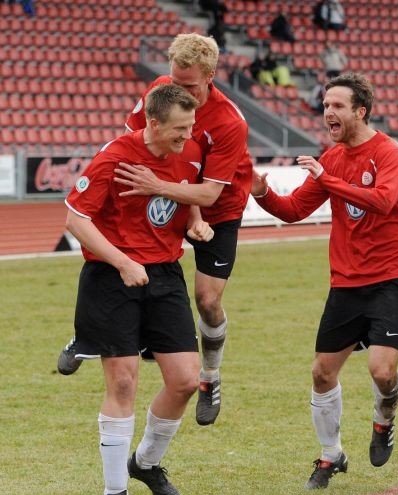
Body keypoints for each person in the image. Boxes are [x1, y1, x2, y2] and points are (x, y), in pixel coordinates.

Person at [58, 33, 254, 428]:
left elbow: (208, 191)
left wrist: (189, 211)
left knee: (207, 300)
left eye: (188, 86)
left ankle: (210, 376)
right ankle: (90, 332)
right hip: (169, 192)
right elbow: (135, 146)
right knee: (128, 251)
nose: (177, 90)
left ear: (210, 77)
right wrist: (175, 203)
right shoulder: (162, 93)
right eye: (174, 80)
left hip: (217, 207)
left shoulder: (230, 122)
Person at [251, 72, 398, 490]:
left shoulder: (389, 152)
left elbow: (383, 201)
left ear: (360, 111)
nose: (328, 112)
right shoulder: (332, 158)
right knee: (322, 373)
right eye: (326, 105)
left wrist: (327, 179)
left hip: (394, 276)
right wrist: (261, 193)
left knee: (382, 371)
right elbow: (294, 210)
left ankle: (384, 419)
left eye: (337, 106)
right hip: (347, 281)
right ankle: (331, 455)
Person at [64, 84, 213, 495]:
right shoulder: (115, 156)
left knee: (186, 381)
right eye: (179, 129)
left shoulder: (189, 153)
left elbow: (188, 195)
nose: (187, 136)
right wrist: (123, 261)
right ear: (153, 123)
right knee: (124, 382)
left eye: (191, 127)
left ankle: (145, 463)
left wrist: (196, 222)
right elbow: (76, 219)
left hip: (165, 274)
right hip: (112, 276)